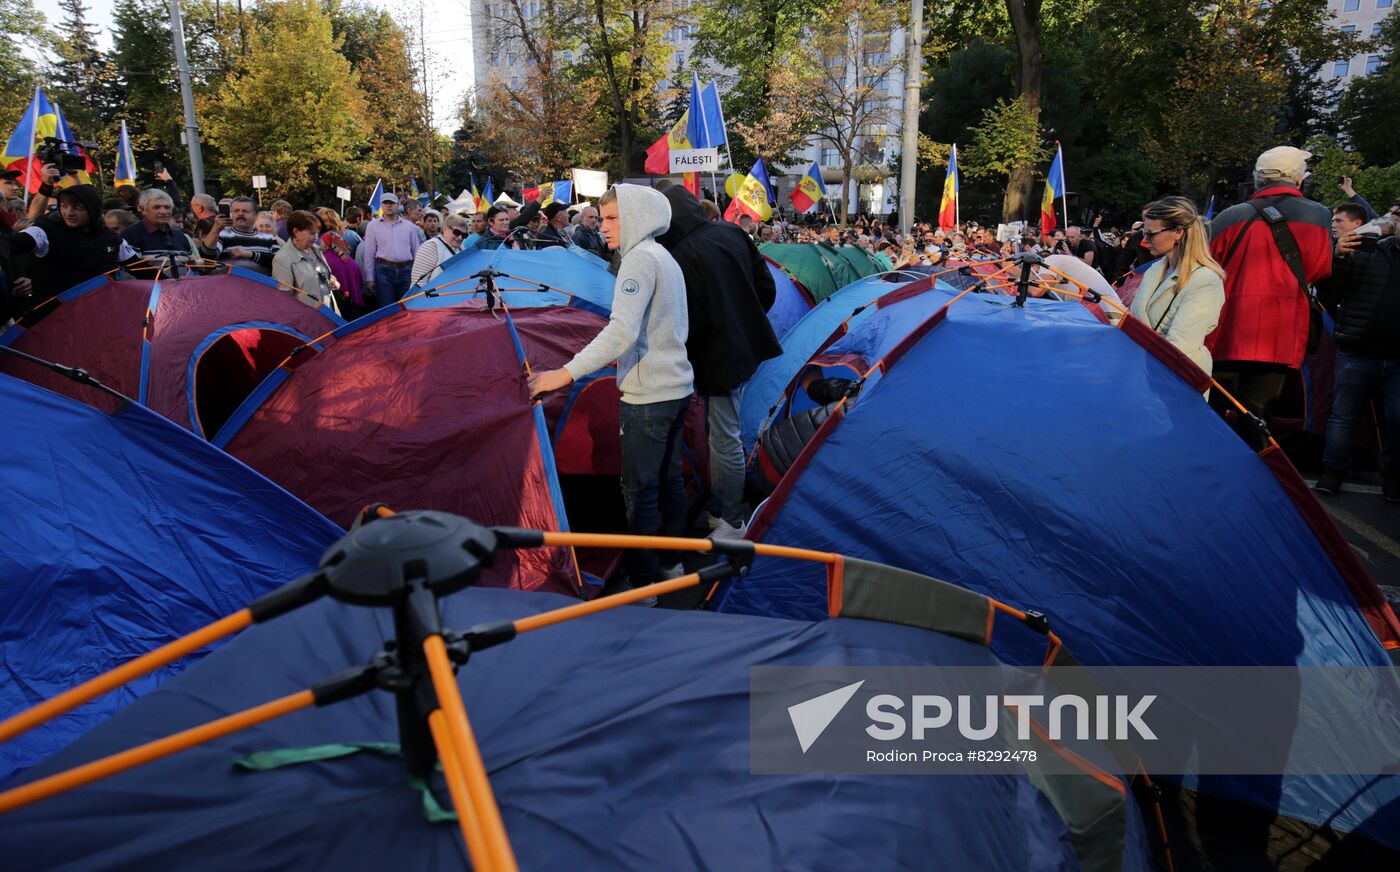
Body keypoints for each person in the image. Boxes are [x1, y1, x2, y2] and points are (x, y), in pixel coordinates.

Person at [528, 184, 693, 599]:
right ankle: (673, 567)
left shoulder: (638, 260)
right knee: (669, 479)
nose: (604, 228)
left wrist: (563, 374)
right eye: (602, 219)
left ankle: (642, 587)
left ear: (637, 216)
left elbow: (620, 332)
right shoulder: (663, 255)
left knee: (640, 491)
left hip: (649, 395)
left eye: (614, 218)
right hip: (676, 387)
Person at [656, 185, 780, 538]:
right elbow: (766, 287)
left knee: (723, 435)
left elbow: (687, 320)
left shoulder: (679, 253)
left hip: (717, 356)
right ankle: (724, 505)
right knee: (722, 431)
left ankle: (732, 519)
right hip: (744, 345)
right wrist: (747, 320)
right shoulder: (730, 231)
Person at [1207, 146, 1332, 448]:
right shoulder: (1318, 215)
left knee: (1214, 414)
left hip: (1227, 328)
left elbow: (1208, 266)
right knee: (1258, 416)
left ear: (1258, 178)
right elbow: (1317, 270)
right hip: (1280, 331)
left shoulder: (1229, 215)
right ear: (1299, 178)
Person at [1314, 205, 1400, 501]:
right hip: (1358, 350)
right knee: (1343, 417)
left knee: (1397, 419)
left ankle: (1393, 476)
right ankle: (1333, 471)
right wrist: (1336, 258)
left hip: (1397, 358)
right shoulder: (1367, 248)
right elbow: (1330, 291)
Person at [1128, 197, 1226, 375]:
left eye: (1151, 233)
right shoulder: (1154, 270)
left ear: (1178, 233)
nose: (1144, 239)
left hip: (1174, 380)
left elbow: (1182, 346)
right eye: (1144, 232)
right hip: (1144, 371)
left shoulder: (1205, 280)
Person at [5, 183, 137, 310]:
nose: (69, 213)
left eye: (77, 207)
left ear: (93, 210)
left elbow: (142, 270)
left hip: (98, 314)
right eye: (63, 206)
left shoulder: (111, 238)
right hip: (53, 318)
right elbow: (11, 244)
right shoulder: (44, 231)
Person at [360, 192, 420, 306]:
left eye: (391, 203)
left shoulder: (410, 227)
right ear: (381, 205)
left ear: (397, 205)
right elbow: (369, 253)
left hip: (406, 269)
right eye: (385, 203)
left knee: (406, 305)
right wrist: (369, 278)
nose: (388, 205)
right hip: (383, 270)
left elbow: (416, 251)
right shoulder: (373, 226)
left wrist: (418, 275)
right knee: (386, 307)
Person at [272, 210, 339, 310]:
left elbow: (323, 273)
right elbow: (283, 298)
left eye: (317, 233)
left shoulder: (316, 249)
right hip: (307, 318)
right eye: (312, 233)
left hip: (329, 311)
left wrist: (333, 281)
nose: (316, 237)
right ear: (295, 232)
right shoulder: (282, 258)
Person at [120, 188, 195, 278]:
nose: (163, 212)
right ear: (142, 209)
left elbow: (193, 268)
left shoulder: (180, 236)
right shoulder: (131, 235)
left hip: (181, 291)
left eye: (167, 207)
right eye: (156, 207)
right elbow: (130, 273)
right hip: (148, 291)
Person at [199, 196, 281, 274]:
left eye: (245, 211)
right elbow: (207, 257)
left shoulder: (268, 238)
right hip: (231, 286)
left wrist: (250, 254)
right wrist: (215, 229)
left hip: (261, 285)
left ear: (255, 216)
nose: (240, 214)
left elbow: (279, 261)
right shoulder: (223, 235)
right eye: (236, 211)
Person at [316, 207, 366, 316]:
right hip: (353, 306)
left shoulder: (324, 259)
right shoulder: (348, 260)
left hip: (338, 307)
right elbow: (359, 282)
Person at [411, 213, 469, 286]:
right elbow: (418, 283)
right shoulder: (431, 247)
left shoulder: (462, 248)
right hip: (434, 296)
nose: (460, 237)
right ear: (445, 229)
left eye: (464, 235)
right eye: (456, 232)